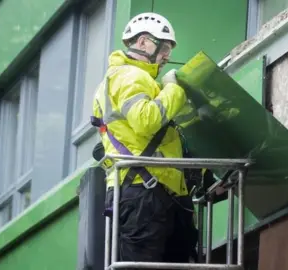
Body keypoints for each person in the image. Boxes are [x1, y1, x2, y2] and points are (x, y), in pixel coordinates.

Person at [90, 12, 198, 267]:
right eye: (164, 47)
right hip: (144, 191)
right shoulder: (129, 77)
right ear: (143, 43)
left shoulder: (135, 80)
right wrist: (174, 89)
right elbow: (146, 120)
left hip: (149, 191)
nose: (167, 56)